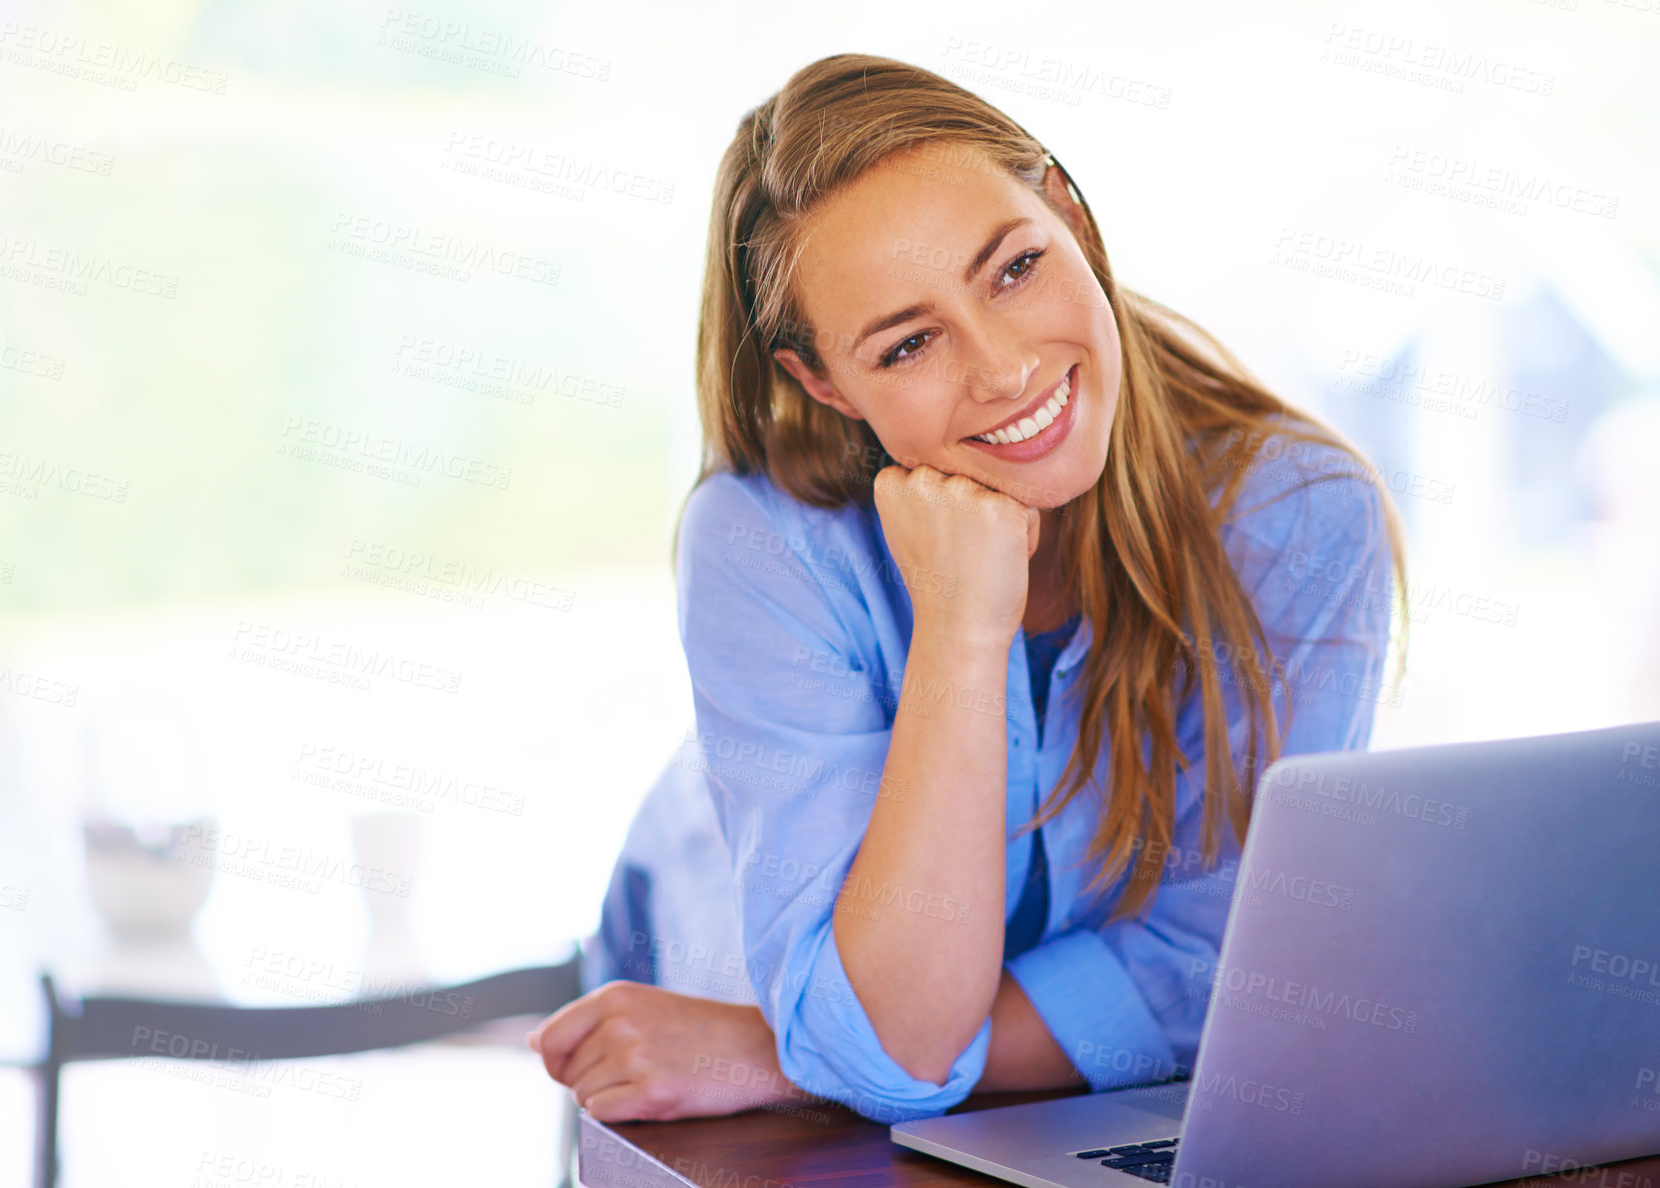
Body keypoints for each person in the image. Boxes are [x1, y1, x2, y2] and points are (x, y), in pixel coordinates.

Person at [530, 52, 1409, 1127]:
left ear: (1069, 216)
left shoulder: (1296, 518)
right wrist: (960, 624)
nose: (1001, 370)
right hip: (689, 996)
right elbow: (892, 1040)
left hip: (789, 1049)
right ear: (822, 381)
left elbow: (1223, 971)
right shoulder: (760, 541)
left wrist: (783, 1050)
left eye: (1011, 269)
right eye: (906, 344)